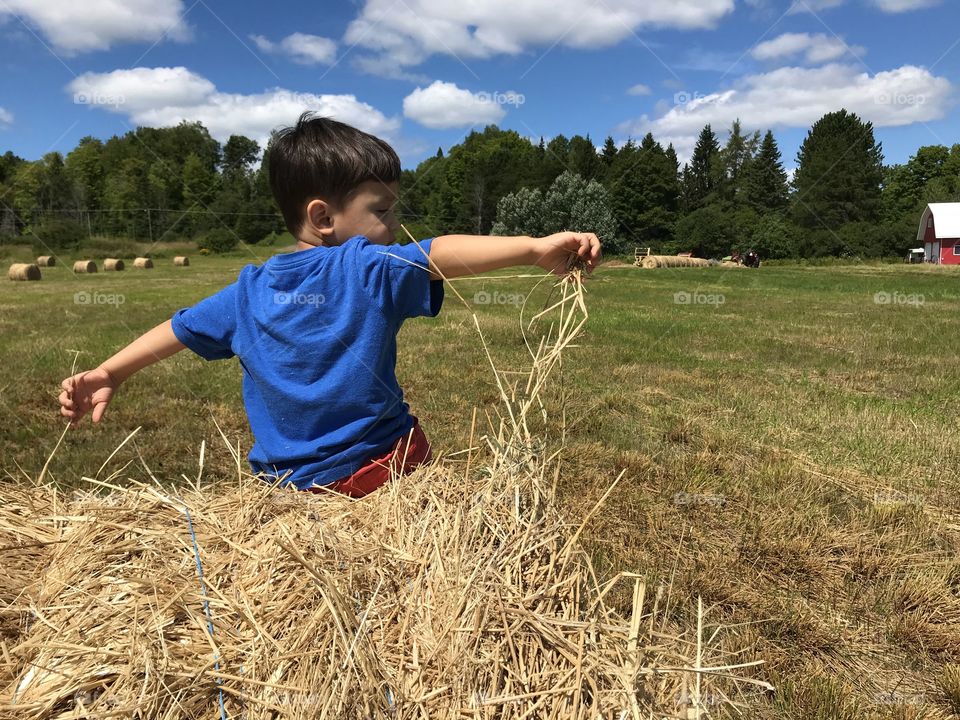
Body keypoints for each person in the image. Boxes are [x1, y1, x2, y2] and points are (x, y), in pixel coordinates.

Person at [58, 113, 602, 497]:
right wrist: (531, 249)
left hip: (289, 491)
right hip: (386, 470)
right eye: (383, 210)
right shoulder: (362, 265)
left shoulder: (247, 292)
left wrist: (111, 371)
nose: (395, 226)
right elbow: (438, 253)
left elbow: (178, 329)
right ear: (324, 218)